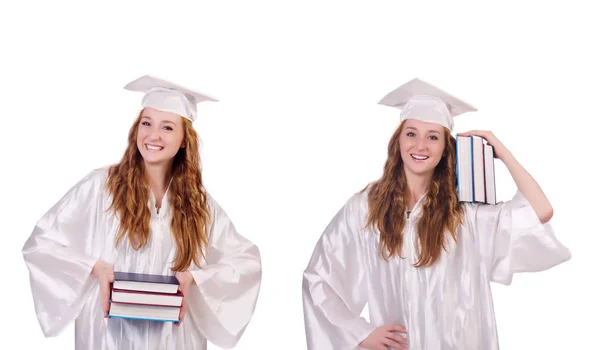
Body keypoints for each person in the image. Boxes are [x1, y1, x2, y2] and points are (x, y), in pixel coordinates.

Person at [302, 78, 571, 350]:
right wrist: (358, 333)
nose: (420, 146)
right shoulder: (366, 208)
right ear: (398, 141)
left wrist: (501, 151)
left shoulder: (467, 216)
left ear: (445, 149)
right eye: (411, 133)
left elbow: (541, 211)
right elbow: (319, 279)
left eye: (432, 136)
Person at [22, 75, 262, 350]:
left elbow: (245, 261)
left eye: (168, 127)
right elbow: (42, 244)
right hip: (109, 335)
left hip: (173, 339)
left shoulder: (197, 204)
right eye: (146, 123)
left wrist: (195, 278)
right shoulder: (101, 188)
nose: (153, 135)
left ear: (184, 140)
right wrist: (96, 269)